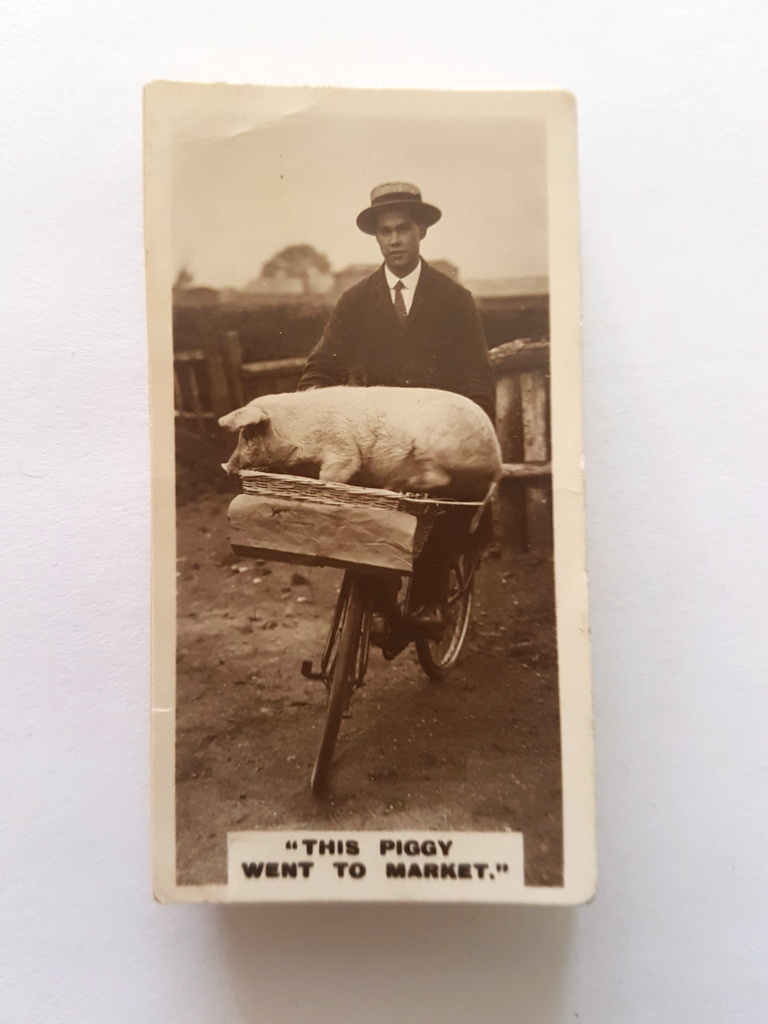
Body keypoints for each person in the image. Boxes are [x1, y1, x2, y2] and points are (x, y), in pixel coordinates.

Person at [298, 182, 496, 637]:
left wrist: (467, 424)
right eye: (384, 231)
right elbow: (323, 365)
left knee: (442, 498)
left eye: (403, 229)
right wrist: (313, 407)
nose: (394, 240)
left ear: (421, 230)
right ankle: (380, 604)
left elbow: (476, 373)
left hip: (436, 436)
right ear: (376, 237)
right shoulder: (356, 300)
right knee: (363, 502)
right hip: (380, 437)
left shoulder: (453, 299)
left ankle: (429, 601)